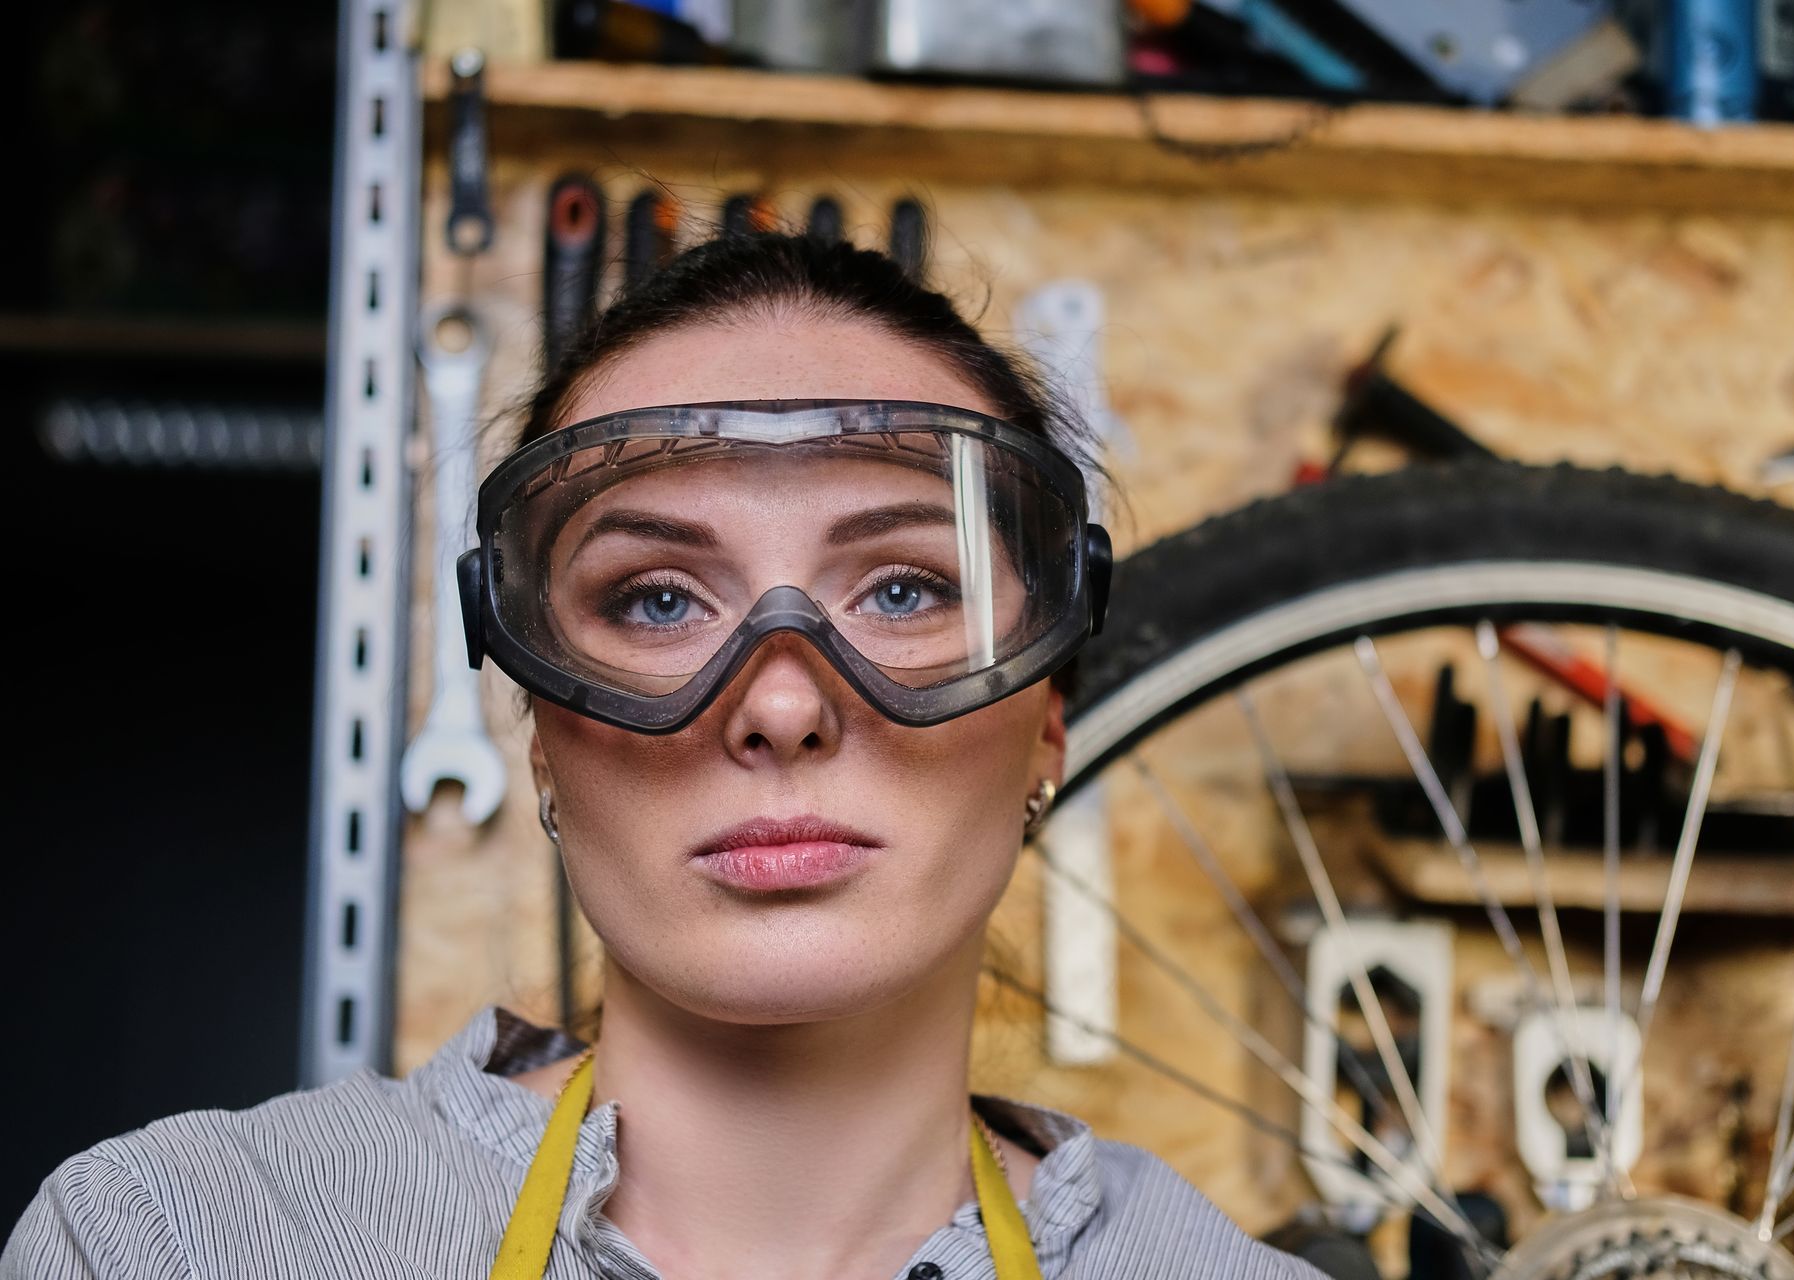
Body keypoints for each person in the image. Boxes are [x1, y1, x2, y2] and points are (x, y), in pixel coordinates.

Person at [4, 231, 1324, 1280]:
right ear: (539, 733)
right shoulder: (172, 1247)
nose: (782, 708)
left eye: (907, 592)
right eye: (656, 602)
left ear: (1046, 715)